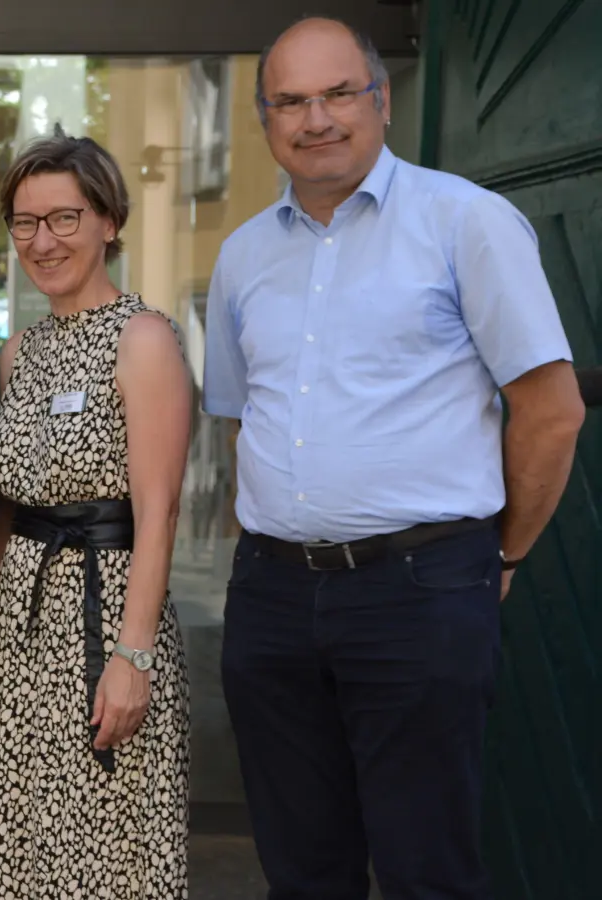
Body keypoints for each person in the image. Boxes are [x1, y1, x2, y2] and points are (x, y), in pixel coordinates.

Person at [204, 17, 585, 900]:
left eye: (338, 93)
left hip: (419, 590)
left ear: (379, 99)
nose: (317, 118)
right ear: (266, 119)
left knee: (427, 870)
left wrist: (504, 555)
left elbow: (551, 412)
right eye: (291, 101)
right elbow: (240, 421)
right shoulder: (243, 255)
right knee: (301, 871)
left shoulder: (468, 222)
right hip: (272, 596)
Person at [0, 134, 194, 897]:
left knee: (108, 846)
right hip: (26, 633)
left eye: (64, 217)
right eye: (25, 222)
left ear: (109, 220)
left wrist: (133, 661)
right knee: (32, 840)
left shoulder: (145, 339)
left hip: (106, 628)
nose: (43, 240)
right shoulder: (20, 351)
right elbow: (9, 513)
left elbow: (157, 515)